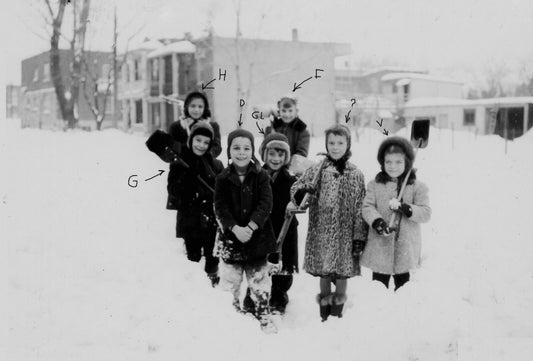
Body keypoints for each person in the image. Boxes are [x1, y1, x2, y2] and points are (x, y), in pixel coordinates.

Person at [290, 124, 367, 321]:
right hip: (321, 231)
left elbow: (360, 208)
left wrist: (359, 235)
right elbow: (297, 191)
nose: (335, 147)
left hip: (345, 234)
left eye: (340, 143)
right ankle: (324, 313)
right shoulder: (317, 171)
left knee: (342, 273)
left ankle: (337, 313)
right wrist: (302, 193)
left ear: (348, 144)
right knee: (324, 272)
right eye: (331, 143)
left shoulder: (356, 174)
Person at [213, 129, 277, 333]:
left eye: (246, 148)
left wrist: (250, 226)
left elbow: (266, 204)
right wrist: (233, 228)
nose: (241, 152)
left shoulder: (261, 176)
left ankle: (263, 314)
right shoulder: (222, 178)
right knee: (230, 282)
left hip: (257, 239)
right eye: (236, 148)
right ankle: (229, 318)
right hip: (231, 240)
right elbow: (220, 207)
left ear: (253, 150)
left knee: (259, 281)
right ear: (229, 151)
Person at [360, 136, 431, 291]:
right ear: (382, 162)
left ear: (407, 163)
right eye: (388, 162)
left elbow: (426, 213)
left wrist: (408, 209)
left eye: (398, 162)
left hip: (405, 248)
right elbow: (367, 207)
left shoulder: (417, 187)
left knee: (403, 289)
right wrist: (377, 222)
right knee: (378, 287)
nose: (393, 166)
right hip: (380, 247)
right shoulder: (375, 185)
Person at [242, 133, 299, 315]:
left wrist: (296, 202)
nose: (276, 159)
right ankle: (254, 295)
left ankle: (279, 295)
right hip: (263, 228)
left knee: (282, 267)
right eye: (272, 154)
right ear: (264, 155)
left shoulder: (291, 180)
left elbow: (303, 195)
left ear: (286, 157)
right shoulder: (257, 177)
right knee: (260, 266)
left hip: (285, 227)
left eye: (281, 155)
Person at [167, 122, 224, 287]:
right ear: (191, 139)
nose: (201, 145)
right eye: (198, 140)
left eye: (206, 142)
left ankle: (212, 283)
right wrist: (185, 177)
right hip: (190, 220)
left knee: (212, 258)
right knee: (192, 258)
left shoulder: (216, 165)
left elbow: (222, 192)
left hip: (212, 221)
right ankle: (194, 290)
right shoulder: (180, 162)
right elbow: (173, 190)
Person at [168, 91, 222, 158]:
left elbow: (217, 148)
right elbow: (171, 149)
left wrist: (205, 156)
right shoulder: (176, 126)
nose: (196, 110)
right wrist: (183, 130)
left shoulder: (212, 126)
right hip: (182, 166)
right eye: (193, 106)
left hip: (205, 166)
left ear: (205, 108)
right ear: (187, 106)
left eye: (200, 106)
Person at [265, 96, 310, 174]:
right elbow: (266, 147)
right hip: (272, 166)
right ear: (279, 111)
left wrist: (284, 165)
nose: (287, 114)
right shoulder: (274, 127)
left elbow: (301, 154)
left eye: (290, 111)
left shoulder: (302, 131)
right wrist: (270, 123)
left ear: (296, 111)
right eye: (283, 111)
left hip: (291, 169)